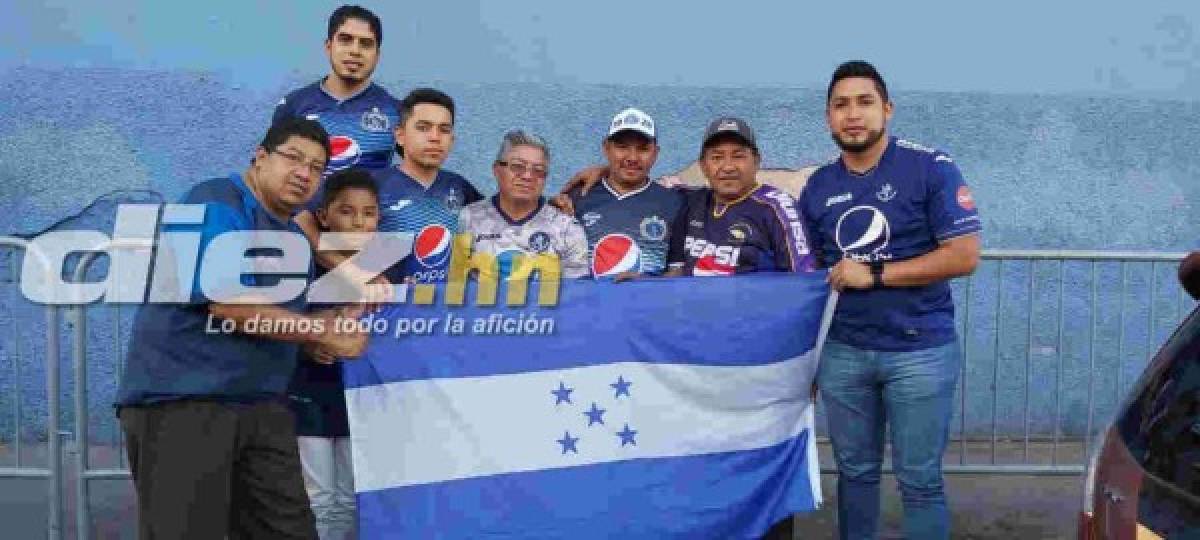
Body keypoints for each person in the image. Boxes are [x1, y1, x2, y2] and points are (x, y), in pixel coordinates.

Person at [116, 118, 370, 539]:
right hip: (184, 404)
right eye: (293, 158)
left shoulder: (290, 235)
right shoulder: (215, 200)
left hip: (263, 406)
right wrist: (317, 332)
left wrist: (320, 338)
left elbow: (277, 321)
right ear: (261, 156)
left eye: (316, 167)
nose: (304, 173)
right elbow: (228, 300)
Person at [797, 60, 982, 540]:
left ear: (888, 109)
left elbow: (964, 255)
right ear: (828, 117)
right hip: (843, 354)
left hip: (920, 352)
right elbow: (814, 278)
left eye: (864, 102)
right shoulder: (818, 187)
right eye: (841, 105)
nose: (852, 114)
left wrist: (874, 274)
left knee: (919, 480)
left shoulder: (930, 167)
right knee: (854, 475)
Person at [288, 169, 380, 540]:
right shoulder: (301, 261)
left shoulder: (386, 268)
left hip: (361, 397)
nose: (358, 222)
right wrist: (311, 337)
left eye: (368, 212)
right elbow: (275, 320)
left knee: (349, 497)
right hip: (308, 391)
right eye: (347, 211)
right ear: (324, 216)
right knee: (319, 497)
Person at [664, 116, 814, 276]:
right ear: (703, 166)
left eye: (738, 156)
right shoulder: (691, 201)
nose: (728, 167)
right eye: (717, 158)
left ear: (756, 161)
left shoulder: (778, 207)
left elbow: (803, 278)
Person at [367, 88, 483, 284]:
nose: (435, 137)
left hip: (449, 309)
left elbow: (502, 219)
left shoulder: (460, 187)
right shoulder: (371, 186)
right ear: (400, 135)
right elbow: (337, 244)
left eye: (444, 130)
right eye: (423, 127)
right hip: (391, 308)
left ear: (452, 140)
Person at [566, 108, 683, 279]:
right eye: (622, 147)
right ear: (606, 148)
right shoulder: (578, 197)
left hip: (648, 304)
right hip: (588, 303)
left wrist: (647, 283)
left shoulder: (674, 201)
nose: (632, 157)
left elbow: (677, 271)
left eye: (643, 149)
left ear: (655, 153)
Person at [458, 129, 589, 280]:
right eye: (518, 166)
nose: (527, 176)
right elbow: (455, 286)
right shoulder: (468, 219)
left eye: (538, 170)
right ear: (496, 169)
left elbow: (577, 294)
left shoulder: (566, 228)